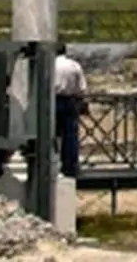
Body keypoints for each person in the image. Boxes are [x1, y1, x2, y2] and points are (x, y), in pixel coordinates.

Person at [52, 47, 88, 179]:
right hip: (70, 101)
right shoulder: (74, 65)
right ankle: (70, 166)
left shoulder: (50, 65)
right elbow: (82, 88)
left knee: (51, 134)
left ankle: (52, 163)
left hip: (53, 100)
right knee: (71, 135)